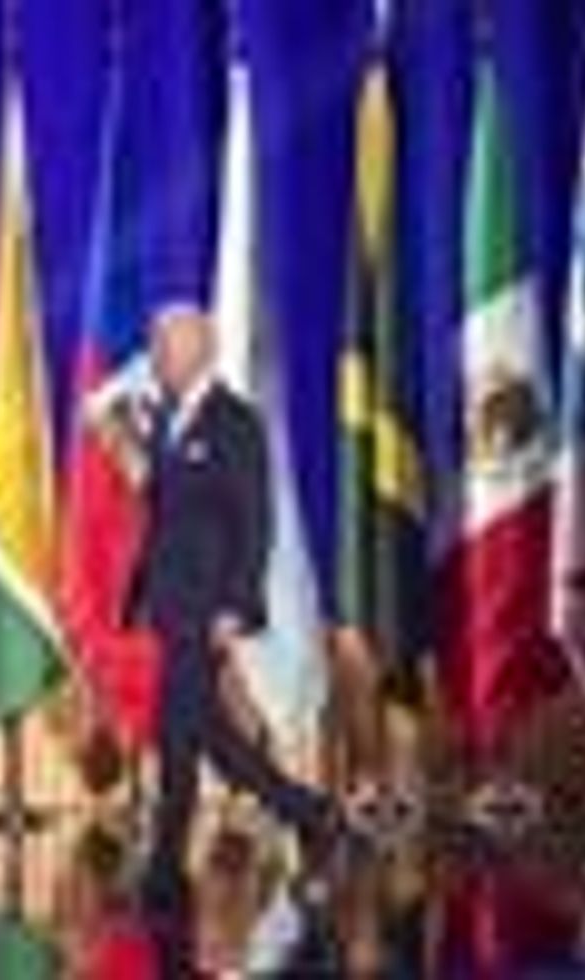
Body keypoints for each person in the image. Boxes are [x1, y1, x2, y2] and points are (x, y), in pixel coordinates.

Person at [126, 303, 351, 904]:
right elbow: (164, 518)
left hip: (209, 607)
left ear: (202, 348)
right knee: (213, 739)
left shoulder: (236, 422)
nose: (156, 355)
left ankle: (165, 868)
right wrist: (142, 592)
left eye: (167, 343)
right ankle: (310, 811)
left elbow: (256, 521)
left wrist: (237, 604)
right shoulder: (165, 418)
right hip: (172, 603)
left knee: (178, 734)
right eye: (155, 343)